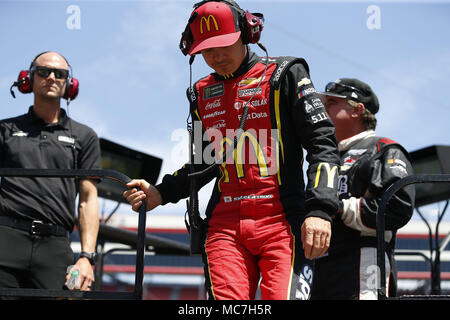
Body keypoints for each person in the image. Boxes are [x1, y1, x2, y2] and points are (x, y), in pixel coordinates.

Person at [124, 0, 340, 300]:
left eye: (224, 44)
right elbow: (203, 162)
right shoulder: (200, 93)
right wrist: (161, 193)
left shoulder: (285, 73)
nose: (216, 55)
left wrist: (320, 210)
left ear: (248, 33)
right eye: (206, 49)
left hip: (282, 222)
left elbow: (323, 143)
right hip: (224, 228)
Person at [0, 51, 101, 293]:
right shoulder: (4, 130)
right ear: (29, 79)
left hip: (56, 246)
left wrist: (87, 257)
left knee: (75, 296)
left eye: (60, 73)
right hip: (5, 239)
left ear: (69, 83)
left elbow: (88, 199)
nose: (52, 77)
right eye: (44, 72)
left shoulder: (85, 136)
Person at [311, 78, 415, 300]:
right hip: (320, 265)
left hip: (362, 261)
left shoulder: (383, 149)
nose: (323, 107)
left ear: (357, 110)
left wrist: (337, 207)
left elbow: (397, 207)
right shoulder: (325, 158)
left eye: (331, 102)